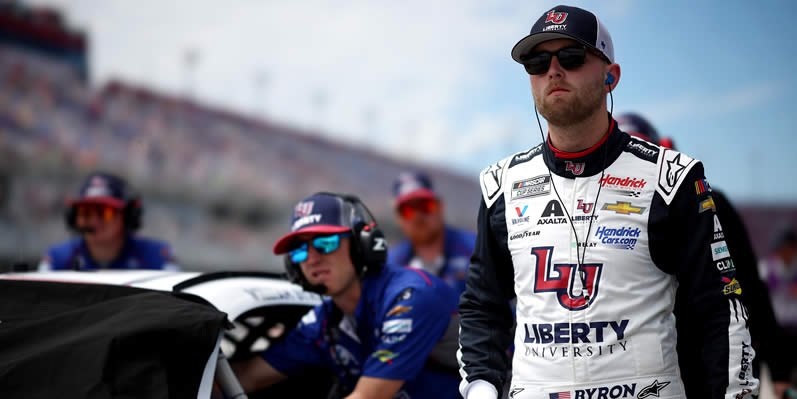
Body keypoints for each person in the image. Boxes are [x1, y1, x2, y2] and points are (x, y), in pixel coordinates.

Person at [457, 5, 759, 399]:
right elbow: (482, 305)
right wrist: (481, 388)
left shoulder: (671, 179)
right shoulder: (502, 184)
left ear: (610, 77)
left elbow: (721, 311)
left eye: (571, 56)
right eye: (536, 61)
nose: (553, 70)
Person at [617, 112, 794, 398]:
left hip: (705, 364)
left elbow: (748, 284)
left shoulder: (710, 202)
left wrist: (780, 368)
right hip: (642, 372)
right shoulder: (603, 214)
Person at [233, 192, 461, 399]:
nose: (311, 259)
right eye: (300, 250)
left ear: (362, 246)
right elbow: (249, 377)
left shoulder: (411, 296)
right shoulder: (323, 322)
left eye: (325, 243)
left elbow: (367, 397)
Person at [38, 171, 179, 271]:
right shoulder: (56, 260)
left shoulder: (158, 258)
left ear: (128, 217)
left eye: (105, 212)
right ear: (74, 218)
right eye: (85, 212)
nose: (93, 220)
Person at [388, 171, 476, 295]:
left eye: (425, 205)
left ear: (440, 207)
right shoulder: (391, 265)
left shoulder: (475, 249)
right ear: (398, 218)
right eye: (407, 210)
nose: (418, 216)